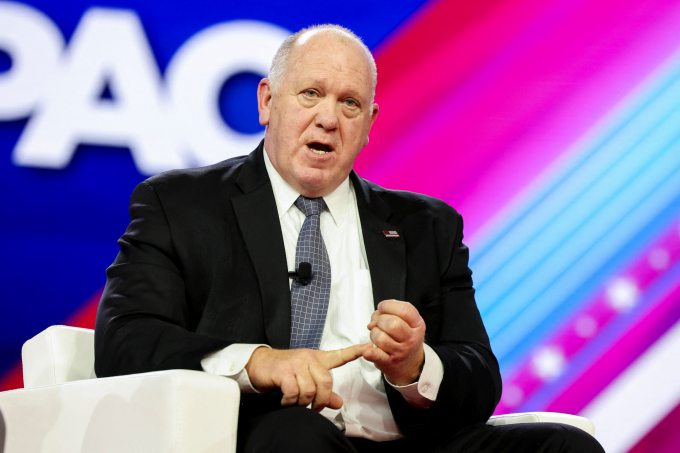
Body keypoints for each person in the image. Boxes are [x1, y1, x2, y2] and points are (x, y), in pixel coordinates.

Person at [95, 24, 604, 453]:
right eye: (310, 94)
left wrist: (416, 366)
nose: (328, 118)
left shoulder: (428, 225)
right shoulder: (182, 205)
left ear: (369, 124)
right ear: (268, 101)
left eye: (350, 103)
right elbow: (126, 340)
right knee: (297, 436)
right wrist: (259, 362)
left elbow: (479, 378)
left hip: (408, 442)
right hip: (276, 436)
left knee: (564, 446)